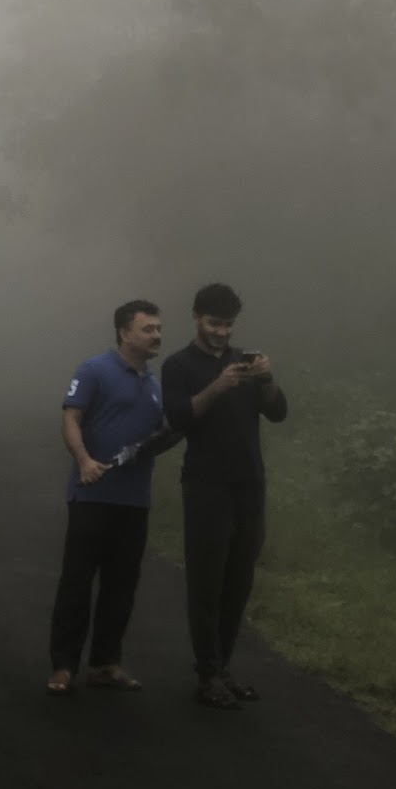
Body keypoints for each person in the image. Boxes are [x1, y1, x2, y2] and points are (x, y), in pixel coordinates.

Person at [158, 282, 288, 710]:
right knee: (206, 580)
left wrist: (266, 379)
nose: (222, 333)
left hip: (249, 484)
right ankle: (206, 671)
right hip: (206, 484)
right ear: (196, 317)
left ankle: (224, 666)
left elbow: (277, 412)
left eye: (229, 325)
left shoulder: (243, 363)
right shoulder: (179, 365)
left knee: (239, 578)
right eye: (214, 323)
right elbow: (178, 417)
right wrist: (216, 387)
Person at [46, 299, 164, 695]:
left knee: (122, 585)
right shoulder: (94, 369)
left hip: (134, 501)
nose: (156, 335)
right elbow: (70, 417)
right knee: (77, 582)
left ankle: (105, 663)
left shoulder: (155, 386)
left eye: (158, 329)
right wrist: (84, 461)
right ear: (124, 332)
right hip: (92, 494)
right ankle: (64, 665)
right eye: (148, 329)